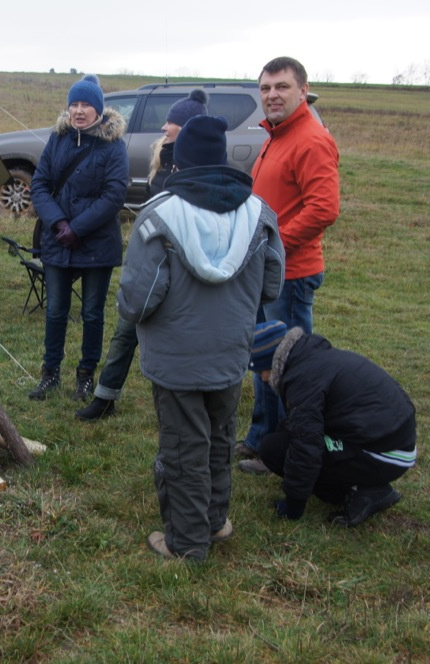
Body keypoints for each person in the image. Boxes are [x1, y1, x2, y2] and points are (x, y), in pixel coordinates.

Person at [117, 115, 284, 560]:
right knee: (220, 435)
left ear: (181, 160)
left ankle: (188, 542)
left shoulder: (159, 215)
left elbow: (138, 300)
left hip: (176, 359)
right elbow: (272, 286)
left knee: (183, 446)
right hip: (230, 352)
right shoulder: (259, 213)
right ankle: (213, 520)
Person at [75, 89, 208, 421]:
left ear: (188, 127)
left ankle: (185, 402)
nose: (163, 127)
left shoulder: (202, 166)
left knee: (177, 338)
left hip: (185, 267)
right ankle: (105, 397)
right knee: (126, 327)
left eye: (171, 122)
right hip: (152, 261)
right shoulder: (162, 156)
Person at [239, 56, 340, 474]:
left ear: (303, 90)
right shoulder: (276, 136)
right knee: (264, 359)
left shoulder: (310, 139)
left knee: (288, 367)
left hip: (292, 275)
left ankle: (287, 452)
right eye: (265, 88)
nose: (272, 95)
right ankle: (262, 439)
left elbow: (324, 208)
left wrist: (274, 245)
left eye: (281, 86)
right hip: (268, 272)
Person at [248, 320, 417, 527]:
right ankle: (366, 485)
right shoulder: (311, 358)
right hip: (394, 439)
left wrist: (293, 503)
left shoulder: (303, 379)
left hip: (385, 453)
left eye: (261, 372)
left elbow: (306, 444)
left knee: (274, 450)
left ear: (272, 362)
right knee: (284, 437)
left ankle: (363, 493)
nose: (263, 379)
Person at [27, 74, 129, 401]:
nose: (79, 110)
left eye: (86, 105)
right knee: (56, 310)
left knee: (92, 313)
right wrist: (59, 223)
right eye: (74, 104)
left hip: (97, 244)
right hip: (58, 240)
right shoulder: (58, 139)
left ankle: (86, 376)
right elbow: (39, 185)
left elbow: (114, 195)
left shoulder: (114, 146)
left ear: (98, 110)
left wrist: (78, 228)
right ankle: (50, 373)